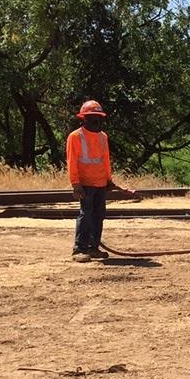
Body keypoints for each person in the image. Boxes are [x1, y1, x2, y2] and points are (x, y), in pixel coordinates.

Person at [66, 100, 136, 262]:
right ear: (83, 119)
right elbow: (72, 162)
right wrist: (76, 184)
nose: (96, 122)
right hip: (85, 185)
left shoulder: (103, 137)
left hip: (100, 184)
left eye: (99, 118)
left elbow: (105, 161)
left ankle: (93, 247)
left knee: (98, 215)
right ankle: (79, 249)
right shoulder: (75, 137)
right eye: (92, 118)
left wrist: (108, 181)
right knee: (86, 214)